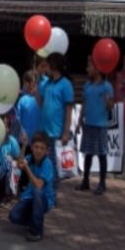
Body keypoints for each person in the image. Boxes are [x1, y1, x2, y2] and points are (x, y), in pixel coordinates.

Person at [9, 131, 56, 242]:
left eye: (42, 148)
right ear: (32, 147)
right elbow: (20, 163)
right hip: (29, 197)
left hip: (43, 199)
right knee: (13, 216)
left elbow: (38, 185)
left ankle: (37, 231)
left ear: (46, 151)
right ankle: (33, 219)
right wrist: (24, 146)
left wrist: (27, 168)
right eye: (36, 147)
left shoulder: (47, 163)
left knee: (37, 192)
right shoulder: (30, 157)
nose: (38, 150)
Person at [77, 58, 114, 195]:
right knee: (88, 153)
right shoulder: (87, 86)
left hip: (100, 125)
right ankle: (85, 181)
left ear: (97, 69)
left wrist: (107, 101)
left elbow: (111, 106)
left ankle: (102, 183)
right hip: (88, 124)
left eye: (89, 67)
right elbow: (84, 103)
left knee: (101, 154)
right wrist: (80, 119)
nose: (87, 69)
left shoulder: (107, 86)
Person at [37, 53, 73, 185]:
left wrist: (66, 132)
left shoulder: (66, 84)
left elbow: (69, 110)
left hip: (56, 131)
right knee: (43, 163)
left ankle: (52, 192)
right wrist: (39, 78)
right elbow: (40, 102)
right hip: (44, 130)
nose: (46, 69)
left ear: (54, 66)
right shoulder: (46, 83)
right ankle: (46, 190)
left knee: (54, 165)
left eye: (47, 66)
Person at [16, 70, 41, 145]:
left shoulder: (41, 99)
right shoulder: (22, 99)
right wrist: (22, 132)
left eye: (29, 82)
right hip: (24, 140)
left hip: (39, 140)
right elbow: (18, 119)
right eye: (25, 82)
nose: (27, 85)